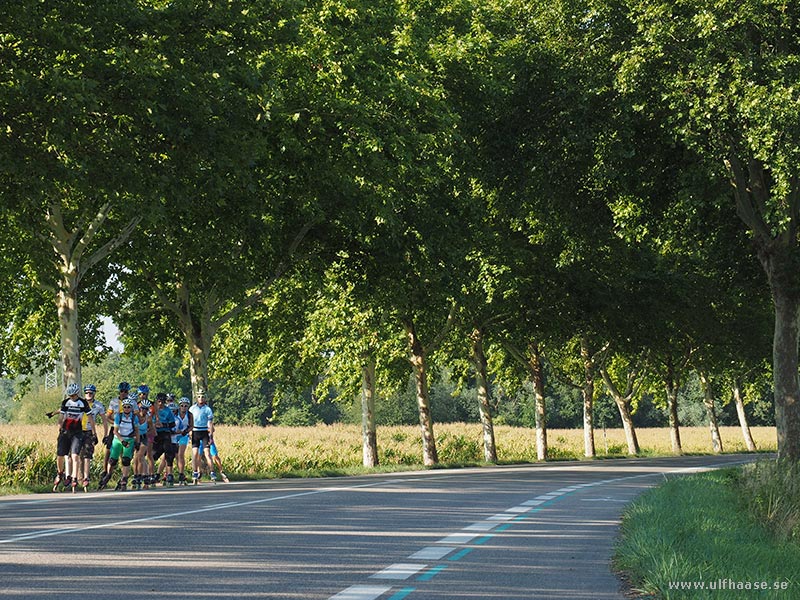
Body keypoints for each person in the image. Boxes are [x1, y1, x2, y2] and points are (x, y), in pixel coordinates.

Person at [53, 383, 92, 493]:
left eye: (74, 395)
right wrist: (60, 428)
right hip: (65, 432)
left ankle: (74, 477)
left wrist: (94, 432)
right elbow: (61, 417)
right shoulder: (65, 402)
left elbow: (90, 418)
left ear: (77, 394)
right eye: (70, 396)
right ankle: (60, 473)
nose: (72, 398)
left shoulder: (83, 403)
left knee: (75, 456)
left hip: (77, 433)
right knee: (60, 455)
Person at [99, 398, 140, 491]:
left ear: (131, 408)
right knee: (113, 460)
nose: (126, 409)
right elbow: (115, 431)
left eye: (128, 407)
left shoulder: (134, 417)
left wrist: (137, 442)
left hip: (129, 439)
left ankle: (124, 479)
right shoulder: (118, 416)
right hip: (118, 439)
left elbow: (137, 431)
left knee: (126, 460)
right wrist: (122, 441)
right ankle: (109, 474)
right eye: (124, 407)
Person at [79, 384, 107, 492]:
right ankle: (76, 478)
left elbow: (104, 420)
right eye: (86, 393)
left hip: (89, 432)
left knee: (87, 454)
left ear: (94, 393)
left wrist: (105, 434)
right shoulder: (80, 403)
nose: (88, 395)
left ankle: (86, 478)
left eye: (90, 393)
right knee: (75, 455)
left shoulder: (98, 405)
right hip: (77, 430)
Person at [105, 382, 136, 472]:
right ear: (119, 391)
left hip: (128, 430)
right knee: (108, 451)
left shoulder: (132, 402)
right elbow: (107, 416)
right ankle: (106, 472)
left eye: (125, 391)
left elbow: (136, 416)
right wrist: (115, 423)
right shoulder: (113, 401)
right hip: (116, 429)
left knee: (124, 456)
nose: (123, 393)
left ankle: (124, 475)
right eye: (122, 391)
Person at [189, 391, 214, 484]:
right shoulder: (192, 409)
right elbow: (190, 421)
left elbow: (210, 423)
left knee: (207, 453)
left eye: (202, 397)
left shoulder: (207, 409)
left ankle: (212, 472)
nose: (201, 398)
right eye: (199, 397)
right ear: (196, 398)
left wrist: (211, 436)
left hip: (204, 431)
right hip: (195, 431)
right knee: (195, 453)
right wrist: (189, 432)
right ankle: (195, 472)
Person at [152, 392, 177, 486]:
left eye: (162, 401)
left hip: (165, 433)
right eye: (159, 401)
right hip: (155, 433)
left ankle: (170, 474)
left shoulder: (168, 411)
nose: (160, 403)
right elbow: (148, 420)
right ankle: (151, 474)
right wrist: (155, 425)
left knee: (169, 453)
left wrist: (164, 424)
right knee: (154, 454)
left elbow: (172, 424)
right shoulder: (153, 410)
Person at [132, 399, 153, 490]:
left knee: (140, 456)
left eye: (146, 409)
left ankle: (141, 475)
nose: (143, 411)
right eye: (142, 408)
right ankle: (136, 475)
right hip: (135, 437)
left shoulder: (148, 418)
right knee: (135, 458)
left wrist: (146, 433)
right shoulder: (135, 416)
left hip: (144, 437)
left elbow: (152, 429)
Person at [173, 396, 193, 485]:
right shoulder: (175, 413)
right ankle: (177, 472)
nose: (183, 407)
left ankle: (181, 473)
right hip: (175, 435)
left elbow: (192, 425)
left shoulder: (189, 415)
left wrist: (187, 431)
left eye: (185, 406)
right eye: (182, 405)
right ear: (179, 406)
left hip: (183, 435)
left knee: (181, 454)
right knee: (175, 455)